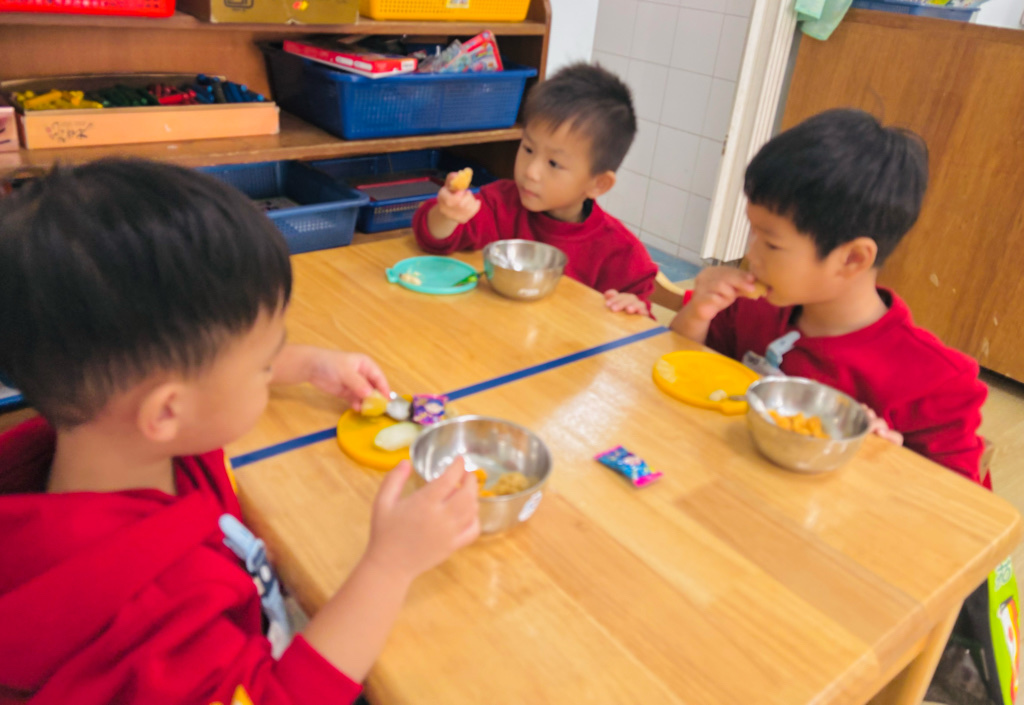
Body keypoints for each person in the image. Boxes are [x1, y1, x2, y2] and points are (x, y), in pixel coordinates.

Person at [0, 158, 480, 704]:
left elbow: (205, 379)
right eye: (264, 364)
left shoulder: (110, 438)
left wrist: (309, 364)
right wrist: (389, 566)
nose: (273, 369)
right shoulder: (148, 613)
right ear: (167, 412)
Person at [671, 109, 987, 485]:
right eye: (752, 232)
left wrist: (888, 459)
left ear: (852, 259)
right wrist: (698, 314)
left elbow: (960, 505)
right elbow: (683, 370)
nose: (751, 254)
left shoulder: (936, 382)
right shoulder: (750, 307)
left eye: (771, 243)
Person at [414, 62, 658, 316]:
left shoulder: (620, 253)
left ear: (598, 184)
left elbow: (642, 324)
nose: (531, 171)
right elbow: (432, 238)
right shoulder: (501, 204)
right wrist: (447, 214)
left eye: (554, 163)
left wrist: (632, 308)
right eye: (528, 149)